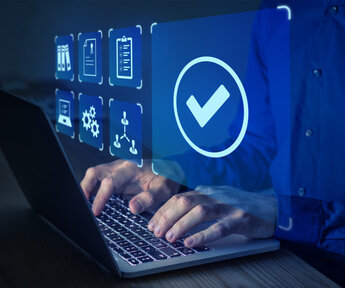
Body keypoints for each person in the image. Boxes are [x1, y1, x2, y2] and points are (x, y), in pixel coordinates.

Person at [80, 1, 345, 257]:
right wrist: (175, 171)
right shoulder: (277, 8)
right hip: (279, 251)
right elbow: (257, 148)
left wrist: (283, 214)